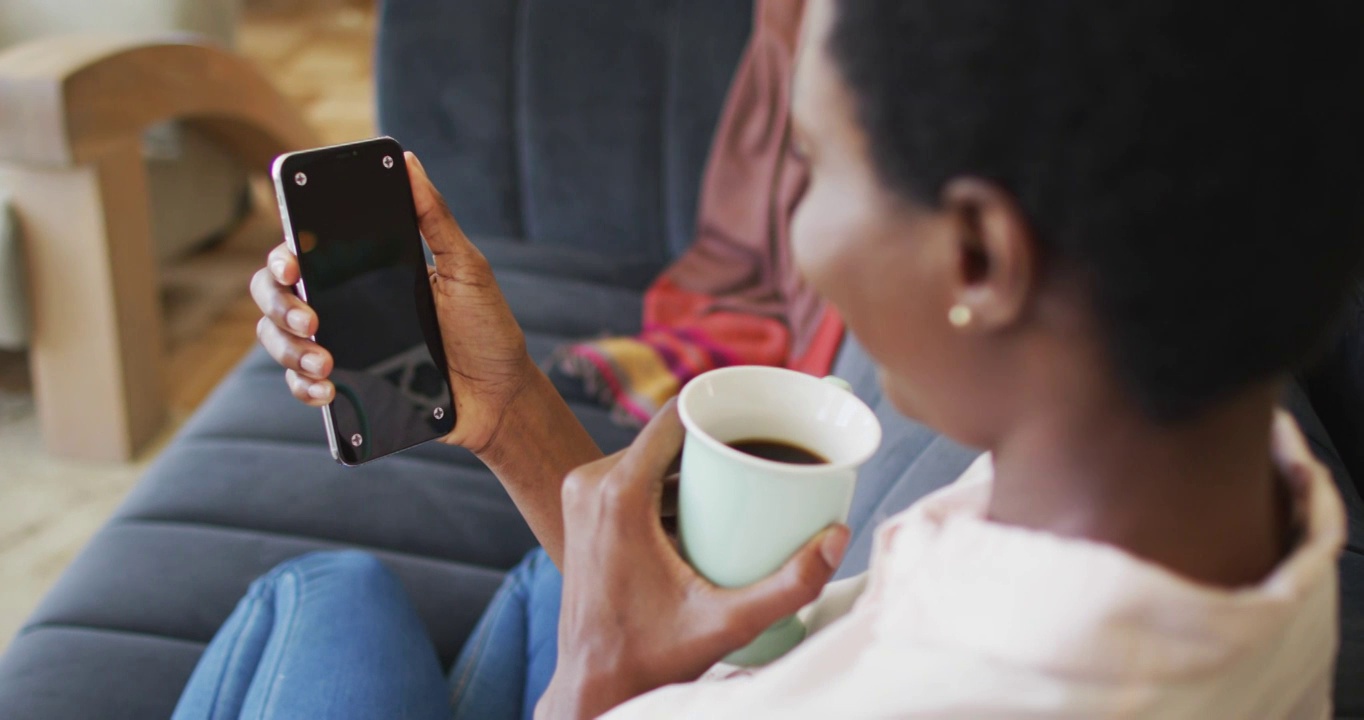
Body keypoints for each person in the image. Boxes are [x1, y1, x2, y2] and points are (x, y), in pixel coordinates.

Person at [176, 0, 1364, 718]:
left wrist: (598, 680)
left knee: (331, 595)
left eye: (813, 166)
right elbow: (750, 653)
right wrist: (504, 413)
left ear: (976, 257)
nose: (797, 237)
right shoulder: (1237, 496)